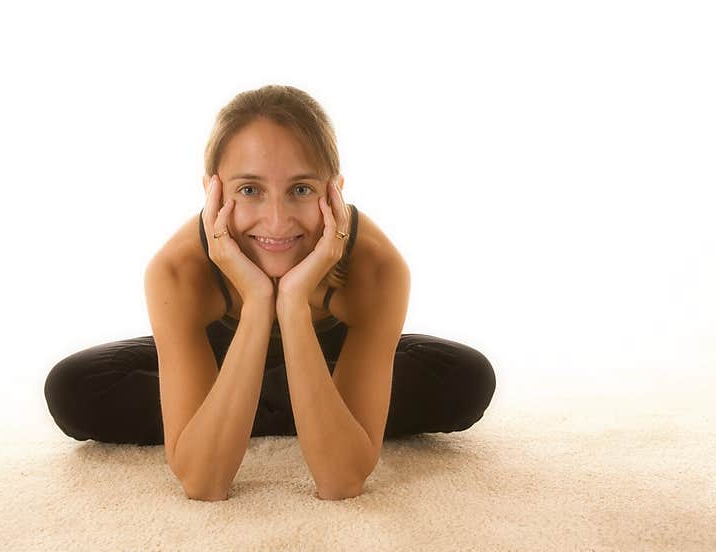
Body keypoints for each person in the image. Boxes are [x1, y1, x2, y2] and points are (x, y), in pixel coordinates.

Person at [44, 84, 496, 501]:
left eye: (301, 189)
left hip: (330, 349)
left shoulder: (376, 267)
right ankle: (308, 409)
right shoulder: (178, 270)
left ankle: (243, 408)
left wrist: (294, 303)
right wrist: (259, 304)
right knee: (75, 388)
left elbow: (342, 479)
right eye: (250, 190)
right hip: (223, 353)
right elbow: (203, 482)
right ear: (212, 193)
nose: (277, 221)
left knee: (464, 376)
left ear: (334, 191)